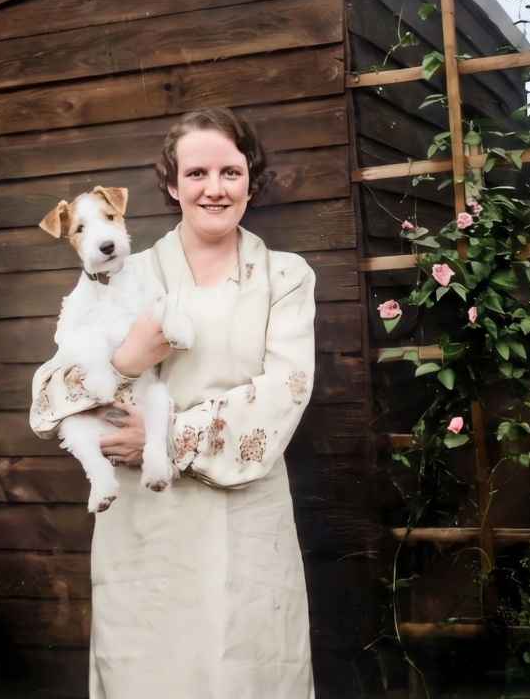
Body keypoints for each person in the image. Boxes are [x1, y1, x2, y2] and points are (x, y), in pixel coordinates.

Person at [29, 107, 316, 699]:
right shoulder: (123, 271)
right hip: (145, 530)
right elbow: (47, 398)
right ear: (169, 184)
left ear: (250, 179)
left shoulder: (284, 277)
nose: (214, 189)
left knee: (249, 673)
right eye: (196, 174)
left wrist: (163, 437)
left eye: (230, 172)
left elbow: (283, 393)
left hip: (246, 520)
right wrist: (123, 362)